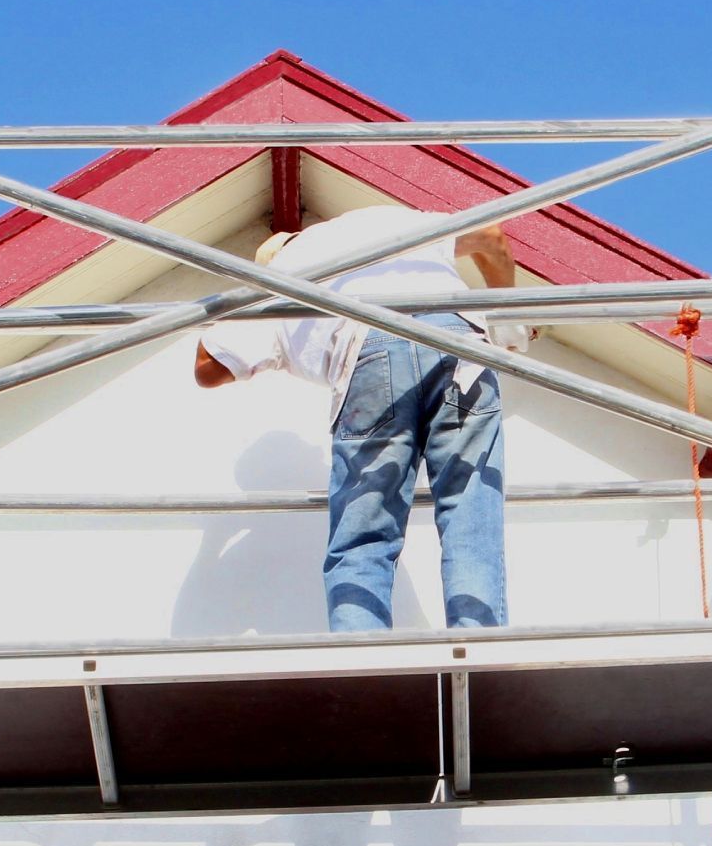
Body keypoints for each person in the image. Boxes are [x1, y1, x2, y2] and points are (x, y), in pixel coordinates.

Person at [193, 205, 525, 632]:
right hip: (460, 341)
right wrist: (509, 327)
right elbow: (492, 236)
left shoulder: (280, 280)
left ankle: (363, 660)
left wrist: (255, 313)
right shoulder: (385, 221)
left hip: (368, 354)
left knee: (364, 535)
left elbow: (207, 367)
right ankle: (481, 648)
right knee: (470, 512)